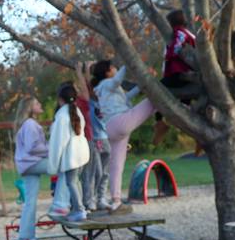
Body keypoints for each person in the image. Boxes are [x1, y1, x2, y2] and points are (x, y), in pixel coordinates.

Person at [93, 60, 156, 214]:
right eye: (113, 67)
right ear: (107, 72)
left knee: (116, 166)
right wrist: (129, 62)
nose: (115, 69)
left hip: (111, 129)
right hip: (120, 122)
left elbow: (127, 97)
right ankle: (177, 110)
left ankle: (116, 201)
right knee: (153, 100)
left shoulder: (105, 90)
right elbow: (116, 80)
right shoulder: (107, 83)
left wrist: (142, 86)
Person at [152, 9, 203, 146]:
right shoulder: (191, 34)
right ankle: (198, 135)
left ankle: (159, 121)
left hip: (178, 73)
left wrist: (169, 55)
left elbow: (177, 45)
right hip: (190, 75)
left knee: (156, 90)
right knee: (185, 107)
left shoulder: (179, 32)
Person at [44, 82, 90, 222]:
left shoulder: (62, 116)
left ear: (60, 99)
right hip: (82, 153)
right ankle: (80, 207)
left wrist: (53, 164)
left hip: (73, 156)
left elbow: (58, 142)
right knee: (76, 182)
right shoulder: (76, 111)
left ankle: (79, 210)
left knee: (71, 182)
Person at [12, 97, 50, 240]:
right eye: (36, 103)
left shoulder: (28, 124)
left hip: (26, 165)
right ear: (29, 107)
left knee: (30, 202)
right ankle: (62, 204)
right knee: (63, 167)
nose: (40, 104)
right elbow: (32, 147)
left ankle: (25, 238)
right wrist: (51, 149)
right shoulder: (30, 124)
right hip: (31, 163)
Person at [74, 61, 111, 213]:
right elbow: (87, 87)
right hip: (94, 139)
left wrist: (88, 70)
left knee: (106, 172)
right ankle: (89, 200)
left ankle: (101, 197)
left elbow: (91, 87)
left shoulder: (103, 99)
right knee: (95, 171)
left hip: (106, 138)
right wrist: (83, 71)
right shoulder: (89, 102)